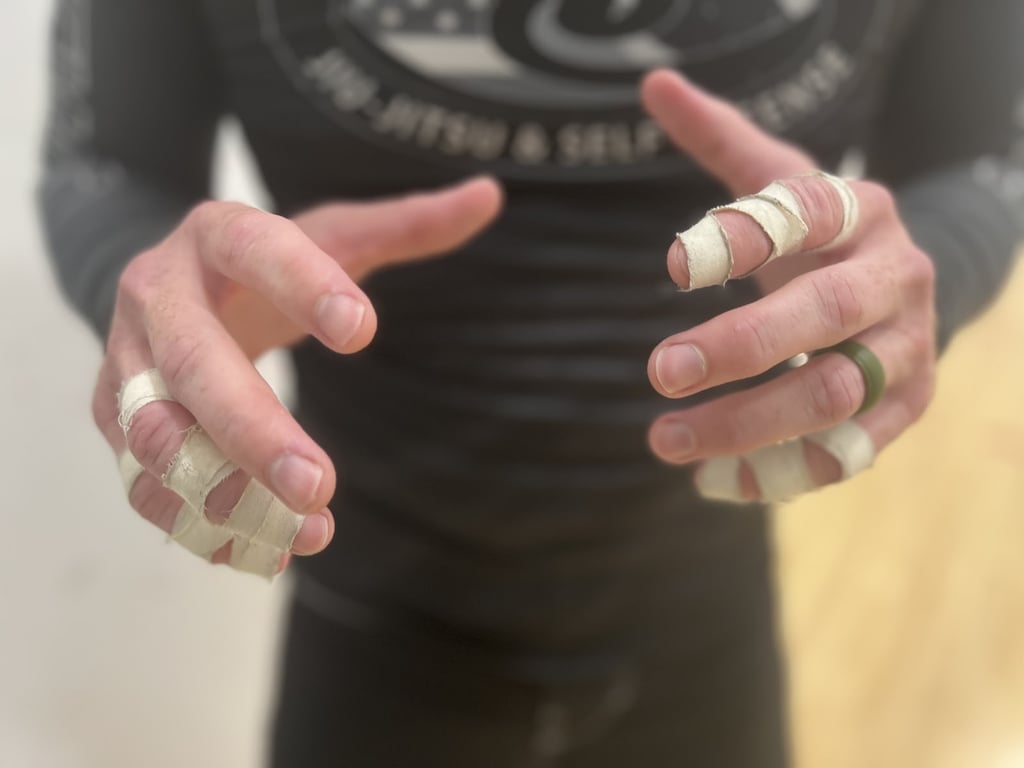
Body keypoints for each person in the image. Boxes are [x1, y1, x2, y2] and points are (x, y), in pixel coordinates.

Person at [38, 1, 1023, 766]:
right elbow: (104, 162)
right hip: (369, 620)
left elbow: (978, 158)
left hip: (701, 619)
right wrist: (162, 312)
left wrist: (905, 286)